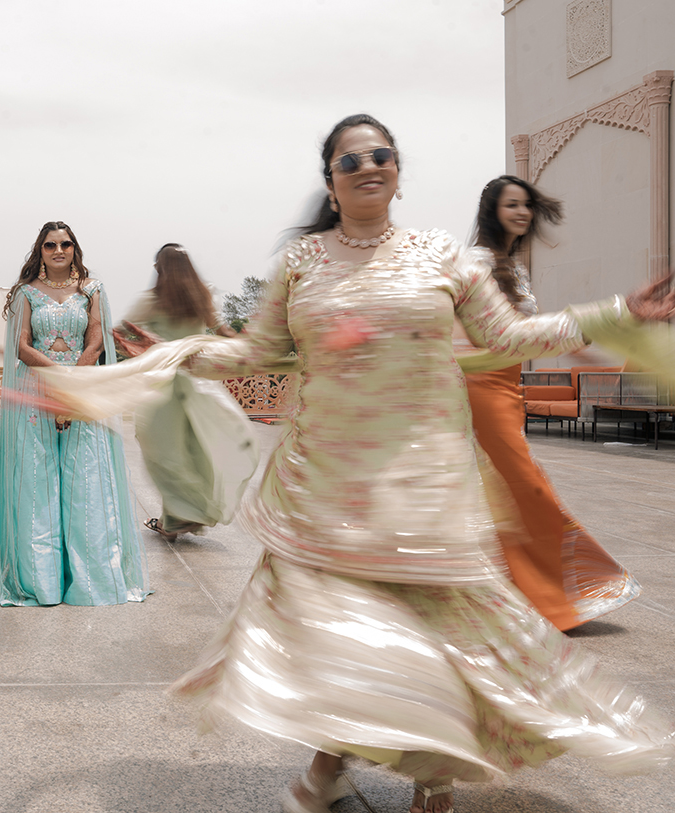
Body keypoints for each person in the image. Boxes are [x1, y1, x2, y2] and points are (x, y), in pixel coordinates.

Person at [34, 115, 675, 813]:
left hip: (422, 487)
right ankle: (332, 769)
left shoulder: (444, 257)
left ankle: (424, 775)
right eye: (351, 159)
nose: (369, 165)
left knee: (441, 634)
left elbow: (505, 337)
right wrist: (173, 356)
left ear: (397, 171)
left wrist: (616, 312)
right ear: (331, 182)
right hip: (329, 488)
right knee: (348, 641)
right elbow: (255, 352)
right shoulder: (301, 265)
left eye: (382, 154)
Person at [464, 176, 639, 630]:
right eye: (512, 205)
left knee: (503, 491)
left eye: (526, 206)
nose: (522, 213)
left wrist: (580, 347)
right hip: (479, 387)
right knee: (524, 485)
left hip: (508, 386)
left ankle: (511, 593)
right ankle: (558, 591)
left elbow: (531, 325)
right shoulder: (476, 262)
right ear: (492, 211)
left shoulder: (514, 267)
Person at [0, 221, 149, 606]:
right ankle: (41, 583)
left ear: (75, 249)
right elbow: (21, 345)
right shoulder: (26, 293)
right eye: (50, 245)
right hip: (37, 395)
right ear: (41, 251)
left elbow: (96, 338)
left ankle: (90, 581)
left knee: (86, 486)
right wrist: (58, 378)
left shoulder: (92, 290)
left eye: (65, 244)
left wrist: (75, 383)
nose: (59, 250)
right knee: (37, 486)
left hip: (81, 394)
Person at [121, 243, 256, 540]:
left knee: (163, 452)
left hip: (163, 387)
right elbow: (224, 332)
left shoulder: (152, 300)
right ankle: (184, 515)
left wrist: (144, 347)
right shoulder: (202, 295)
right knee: (196, 450)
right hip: (198, 386)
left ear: (159, 269)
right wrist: (249, 346)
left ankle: (180, 518)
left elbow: (118, 331)